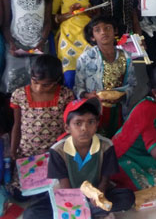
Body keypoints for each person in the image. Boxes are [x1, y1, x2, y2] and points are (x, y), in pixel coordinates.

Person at [23, 98, 135, 218]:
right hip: (67, 194)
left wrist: (99, 195)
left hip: (95, 193)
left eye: (91, 122)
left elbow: (105, 179)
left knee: (128, 197)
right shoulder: (58, 150)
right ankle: (90, 212)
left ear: (97, 124)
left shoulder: (106, 146)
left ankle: (88, 211)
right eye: (78, 123)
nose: (84, 128)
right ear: (67, 128)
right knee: (32, 213)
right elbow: (64, 187)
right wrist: (74, 204)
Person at [9, 55, 74, 195]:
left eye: (45, 84)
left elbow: (69, 127)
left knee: (52, 190)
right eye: (35, 82)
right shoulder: (19, 95)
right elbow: (17, 124)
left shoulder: (65, 95)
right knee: (21, 193)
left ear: (56, 81)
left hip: (53, 153)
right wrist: (13, 150)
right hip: (27, 152)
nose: (38, 88)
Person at [74, 16, 137, 137]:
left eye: (108, 28)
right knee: (97, 139)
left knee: (117, 139)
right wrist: (88, 95)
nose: (103, 32)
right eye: (97, 30)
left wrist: (123, 94)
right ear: (92, 36)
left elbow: (132, 84)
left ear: (115, 31)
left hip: (118, 108)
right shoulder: (86, 58)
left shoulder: (126, 57)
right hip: (95, 108)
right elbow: (78, 86)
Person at [2, 0, 51, 93]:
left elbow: (47, 20)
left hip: (39, 44)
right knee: (13, 83)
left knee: (40, 82)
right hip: (16, 44)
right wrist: (11, 44)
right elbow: (6, 23)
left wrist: (41, 42)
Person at [52, 0, 101, 88]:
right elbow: (53, 17)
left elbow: (100, 17)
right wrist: (69, 13)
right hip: (68, 36)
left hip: (89, 34)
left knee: (92, 73)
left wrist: (91, 13)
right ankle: (72, 104)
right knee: (70, 75)